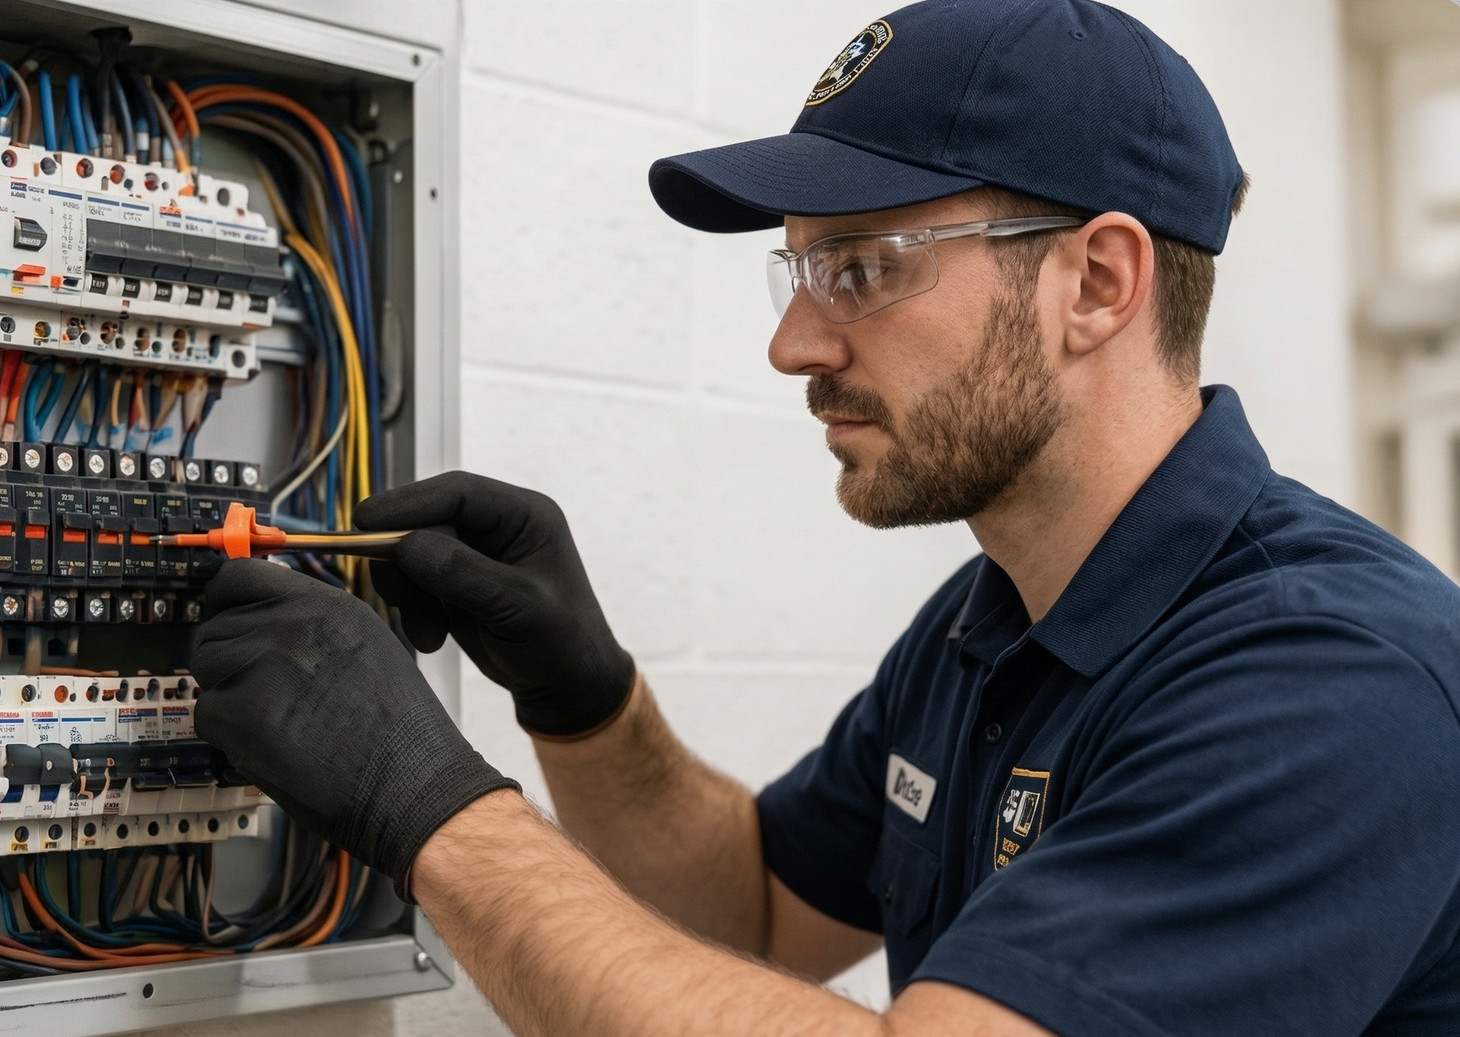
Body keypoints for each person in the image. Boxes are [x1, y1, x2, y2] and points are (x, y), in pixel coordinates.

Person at [190, 1, 1460, 1034]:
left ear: (1099, 281)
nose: (793, 342)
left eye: (862, 268)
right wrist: (586, 700)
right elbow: (744, 906)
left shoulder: (1333, 674)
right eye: (798, 269)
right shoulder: (992, 621)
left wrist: (431, 810)